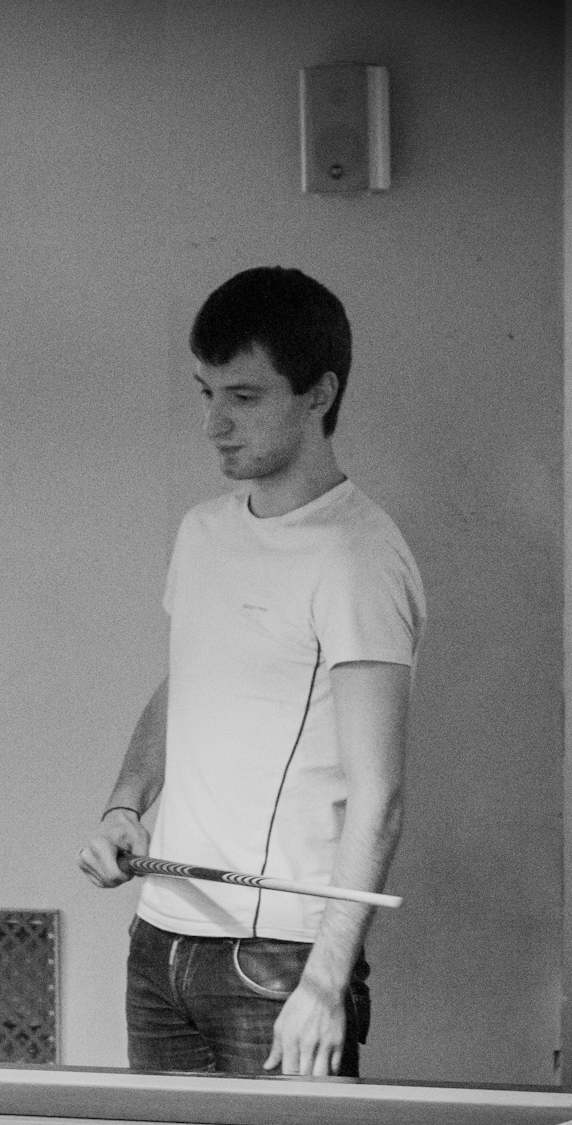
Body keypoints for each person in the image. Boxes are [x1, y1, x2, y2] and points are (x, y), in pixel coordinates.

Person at [77, 267, 424, 1078]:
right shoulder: (202, 532)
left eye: (243, 397)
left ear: (318, 394)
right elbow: (188, 686)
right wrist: (125, 804)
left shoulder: (359, 557)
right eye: (206, 394)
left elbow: (379, 795)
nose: (214, 425)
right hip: (160, 939)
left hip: (278, 959)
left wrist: (325, 982)